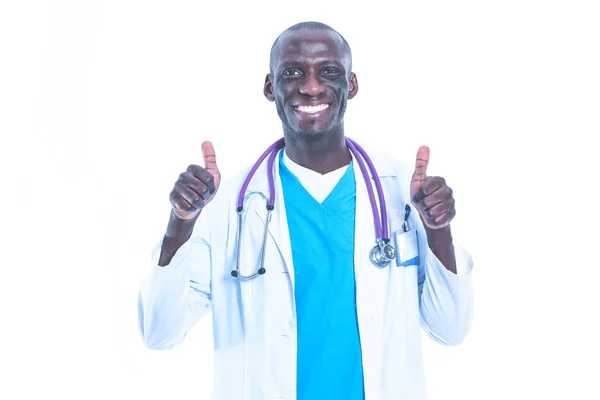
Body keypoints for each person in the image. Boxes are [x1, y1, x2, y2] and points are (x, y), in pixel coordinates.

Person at [138, 21, 474, 400]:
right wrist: (180, 224)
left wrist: (439, 231)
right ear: (270, 87)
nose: (311, 86)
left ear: (351, 85)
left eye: (328, 71)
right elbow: (159, 333)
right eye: (293, 72)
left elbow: (451, 328)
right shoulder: (228, 203)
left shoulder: (400, 189)